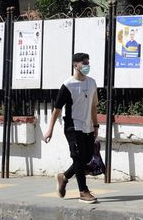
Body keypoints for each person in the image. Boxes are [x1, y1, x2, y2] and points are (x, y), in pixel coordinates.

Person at [43, 53, 99, 204]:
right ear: (75, 65)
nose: (87, 65)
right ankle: (83, 192)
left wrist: (95, 125)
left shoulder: (92, 83)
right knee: (78, 157)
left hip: (87, 127)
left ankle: (64, 177)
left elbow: (94, 106)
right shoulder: (68, 85)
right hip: (72, 127)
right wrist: (50, 130)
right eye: (84, 63)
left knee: (87, 158)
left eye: (88, 62)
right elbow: (57, 109)